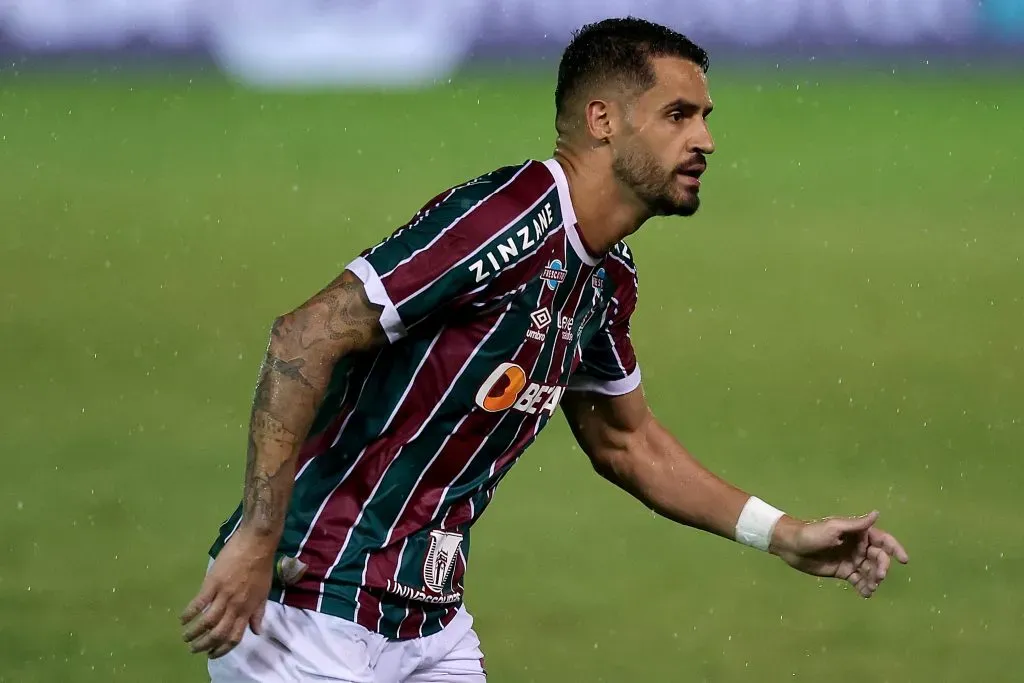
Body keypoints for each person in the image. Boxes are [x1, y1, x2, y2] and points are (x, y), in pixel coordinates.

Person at [181, 16, 909, 683]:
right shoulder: (504, 219)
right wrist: (256, 537)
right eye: (678, 115)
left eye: (705, 117)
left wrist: (782, 533)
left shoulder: (607, 276)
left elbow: (628, 444)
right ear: (603, 120)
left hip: (426, 622)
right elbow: (304, 335)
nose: (705, 140)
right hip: (308, 604)